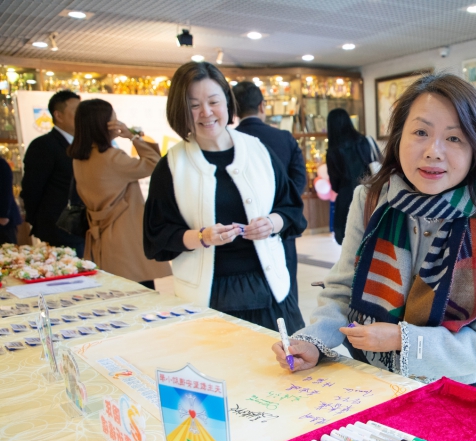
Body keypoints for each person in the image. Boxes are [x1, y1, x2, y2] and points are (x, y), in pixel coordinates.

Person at [272, 73, 476, 387]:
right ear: (399, 137)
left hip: (449, 386)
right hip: (370, 375)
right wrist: (313, 341)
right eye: (421, 132)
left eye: (454, 138)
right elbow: (344, 289)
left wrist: (404, 340)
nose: (433, 151)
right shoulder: (371, 201)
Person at [143, 62, 306, 333]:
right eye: (194, 105)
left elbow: (291, 210)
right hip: (206, 296)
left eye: (213, 101)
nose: (206, 113)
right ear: (180, 110)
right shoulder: (171, 165)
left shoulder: (258, 151)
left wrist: (271, 223)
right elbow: (159, 235)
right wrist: (202, 237)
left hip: (270, 290)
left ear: (227, 103)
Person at [69, 99, 170, 288]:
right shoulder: (111, 158)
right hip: (125, 238)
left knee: (113, 293)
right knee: (140, 293)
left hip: (100, 239)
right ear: (105, 124)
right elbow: (155, 163)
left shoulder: (79, 159)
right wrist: (132, 137)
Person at [233, 81, 307, 305]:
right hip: (282, 226)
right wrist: (279, 214)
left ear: (234, 109)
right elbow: (299, 181)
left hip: (244, 231)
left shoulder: (230, 141)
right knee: (286, 289)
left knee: (248, 294)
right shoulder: (284, 138)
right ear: (262, 106)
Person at [20, 90, 85, 255]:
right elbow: (32, 189)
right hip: (59, 228)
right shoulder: (44, 145)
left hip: (84, 227)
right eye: (76, 111)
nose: (81, 116)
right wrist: (39, 222)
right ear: (58, 115)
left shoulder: (83, 145)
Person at [326, 108, 381, 245]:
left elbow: (335, 184)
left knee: (348, 242)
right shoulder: (364, 142)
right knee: (372, 238)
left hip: (346, 199)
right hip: (369, 195)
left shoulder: (333, 151)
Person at [0, 158, 22, 244]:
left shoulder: (1, 164)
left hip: (3, 221)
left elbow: (6, 191)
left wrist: (3, 215)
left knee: (7, 248)